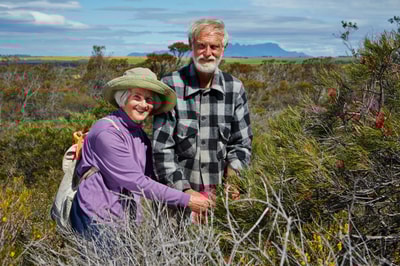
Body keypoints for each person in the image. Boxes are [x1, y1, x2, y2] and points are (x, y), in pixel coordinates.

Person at [70, 67, 212, 237]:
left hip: (122, 221)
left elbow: (153, 175)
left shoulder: (138, 134)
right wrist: (188, 201)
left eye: (149, 99)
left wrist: (191, 190)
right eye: (136, 97)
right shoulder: (107, 133)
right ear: (123, 99)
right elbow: (138, 182)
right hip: (96, 219)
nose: (144, 105)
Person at [152, 18, 253, 206]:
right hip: (178, 203)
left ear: (224, 48)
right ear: (191, 45)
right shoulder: (170, 86)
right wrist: (186, 194)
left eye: (214, 47)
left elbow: (241, 145)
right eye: (201, 46)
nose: (208, 53)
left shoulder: (235, 88)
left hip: (222, 201)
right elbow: (162, 149)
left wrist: (233, 181)